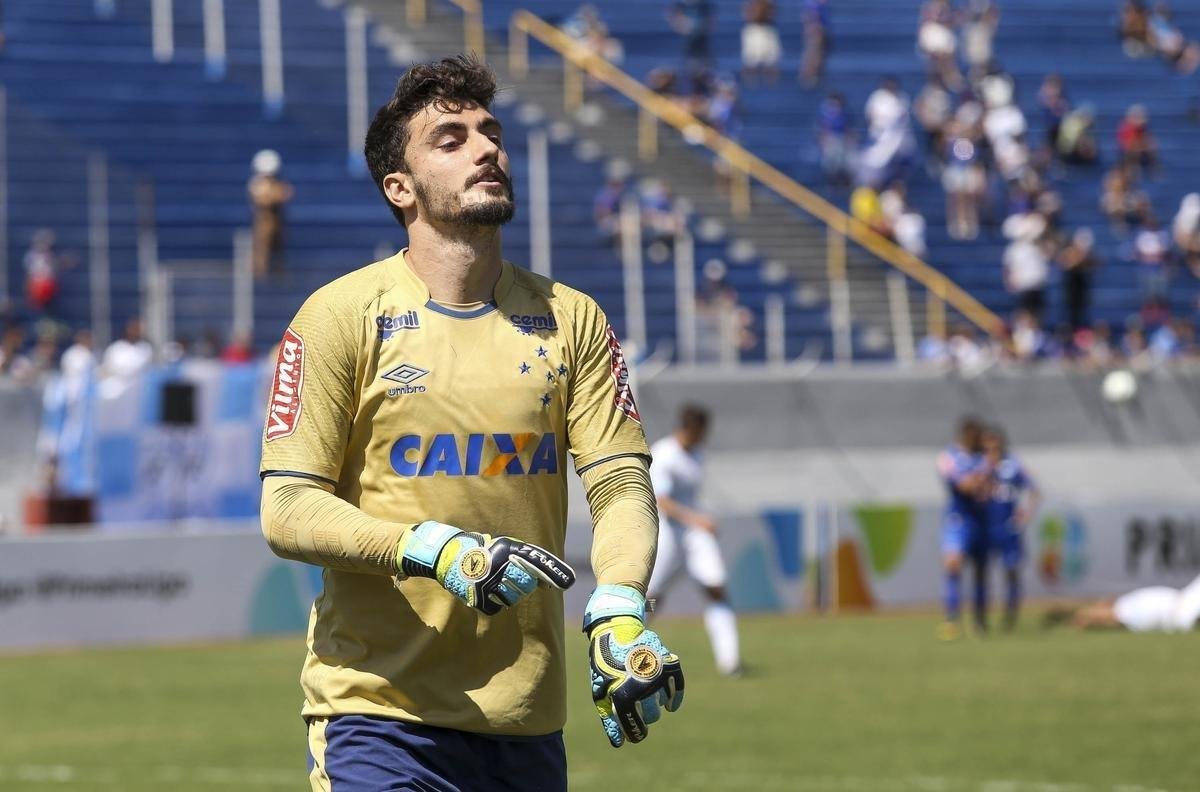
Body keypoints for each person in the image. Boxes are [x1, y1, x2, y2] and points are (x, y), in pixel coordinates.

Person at [258, 57, 684, 790]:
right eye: (450, 139)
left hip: (527, 723)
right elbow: (287, 508)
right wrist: (431, 549)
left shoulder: (572, 319)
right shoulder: (338, 316)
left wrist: (617, 603)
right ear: (401, 188)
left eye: (490, 132)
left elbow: (619, 486)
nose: (486, 147)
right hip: (378, 719)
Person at [646, 405, 742, 676]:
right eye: (703, 431)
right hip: (669, 533)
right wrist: (698, 519)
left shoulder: (698, 454)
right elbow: (661, 501)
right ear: (691, 428)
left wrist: (697, 523)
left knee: (716, 589)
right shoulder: (664, 454)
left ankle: (730, 661)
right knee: (653, 598)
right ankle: (624, 644)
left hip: (694, 536)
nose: (706, 436)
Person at [936, 416, 990, 639]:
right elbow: (964, 485)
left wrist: (976, 482)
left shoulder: (982, 458)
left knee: (980, 572)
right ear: (965, 434)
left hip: (980, 520)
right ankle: (952, 619)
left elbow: (984, 484)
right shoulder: (948, 457)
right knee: (953, 565)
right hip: (958, 520)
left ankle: (979, 621)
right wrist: (976, 482)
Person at [982, 427, 1040, 631]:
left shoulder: (1012, 466)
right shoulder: (979, 466)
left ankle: (1011, 617)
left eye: (995, 444)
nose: (991, 449)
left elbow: (1034, 490)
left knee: (1011, 571)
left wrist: (1025, 514)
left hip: (1008, 529)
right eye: (987, 445)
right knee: (982, 573)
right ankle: (982, 618)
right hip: (985, 528)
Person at [1044, 573, 1200, 632]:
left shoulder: (1127, 607)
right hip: (1167, 608)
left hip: (1168, 605)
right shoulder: (1128, 608)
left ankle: (1070, 617)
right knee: (1107, 615)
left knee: (1106, 615)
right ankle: (1071, 617)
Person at [248, 148, 294, 279]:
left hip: (276, 219)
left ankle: (277, 272)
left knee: (278, 248)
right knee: (262, 248)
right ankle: (260, 274)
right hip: (264, 220)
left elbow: (285, 193)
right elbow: (264, 199)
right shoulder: (257, 183)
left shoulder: (275, 183)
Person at [1057, 228, 1099, 331]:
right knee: (1070, 315)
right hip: (1071, 291)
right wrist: (1079, 259)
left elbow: (1096, 264)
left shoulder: (1088, 256)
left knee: (1081, 315)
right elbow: (1065, 264)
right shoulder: (1069, 252)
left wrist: (1084, 259)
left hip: (1082, 291)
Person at [741, 0, 780, 84]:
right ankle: (749, 84)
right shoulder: (752, 4)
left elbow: (773, 13)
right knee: (750, 61)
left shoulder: (769, 3)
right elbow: (747, 14)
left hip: (767, 29)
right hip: (753, 29)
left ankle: (772, 85)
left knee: (771, 61)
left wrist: (766, 14)